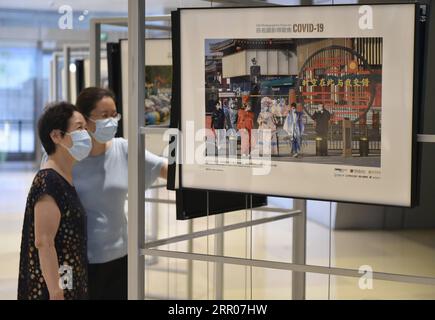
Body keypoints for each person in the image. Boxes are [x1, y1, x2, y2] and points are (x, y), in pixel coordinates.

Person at [41, 87, 168, 300]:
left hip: (118, 256)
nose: (111, 121)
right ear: (84, 119)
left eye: (114, 115)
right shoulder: (63, 158)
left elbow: (166, 169)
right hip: (72, 260)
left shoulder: (123, 149)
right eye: (103, 116)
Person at [18, 102, 92, 300]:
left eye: (86, 128)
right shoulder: (48, 181)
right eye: (79, 128)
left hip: (68, 280)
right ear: (56, 136)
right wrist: (57, 292)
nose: (86, 134)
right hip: (54, 290)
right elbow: (44, 241)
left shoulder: (65, 178)